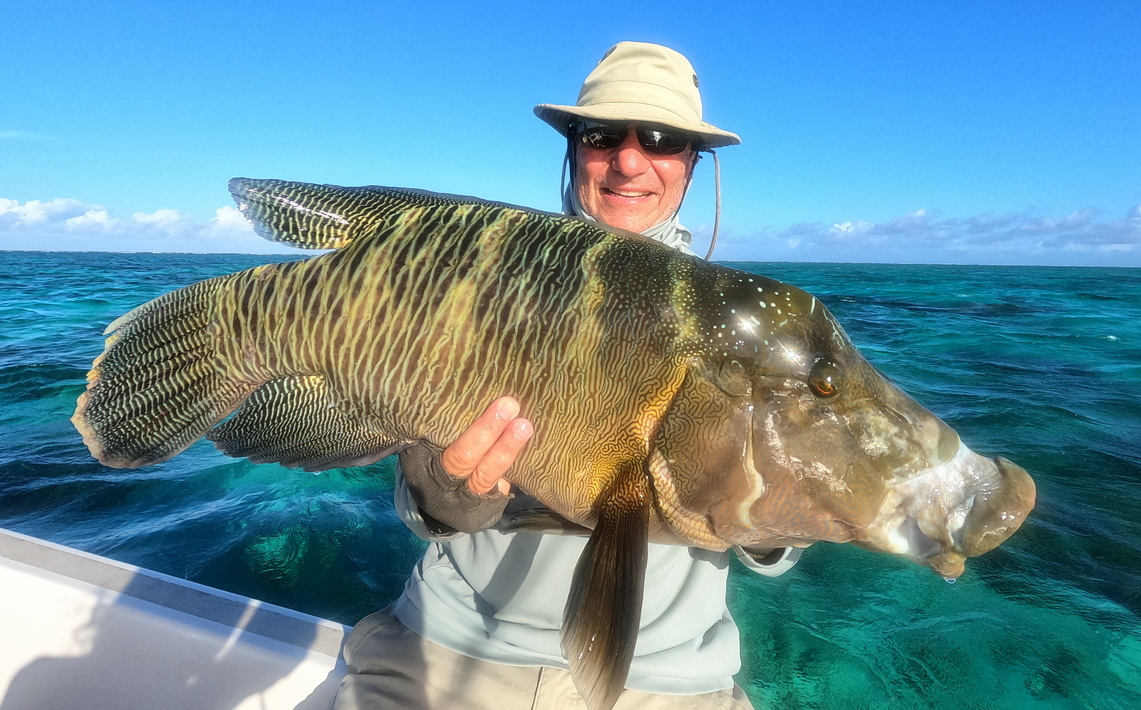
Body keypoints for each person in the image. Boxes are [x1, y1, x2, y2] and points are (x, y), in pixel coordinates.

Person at [331, 42, 801, 710]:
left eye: (662, 139)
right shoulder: (481, 284)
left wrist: (792, 487)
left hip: (666, 684)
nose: (629, 160)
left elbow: (772, 551)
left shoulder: (751, 328)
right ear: (575, 149)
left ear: (691, 164)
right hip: (442, 648)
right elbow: (423, 512)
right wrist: (449, 489)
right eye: (602, 134)